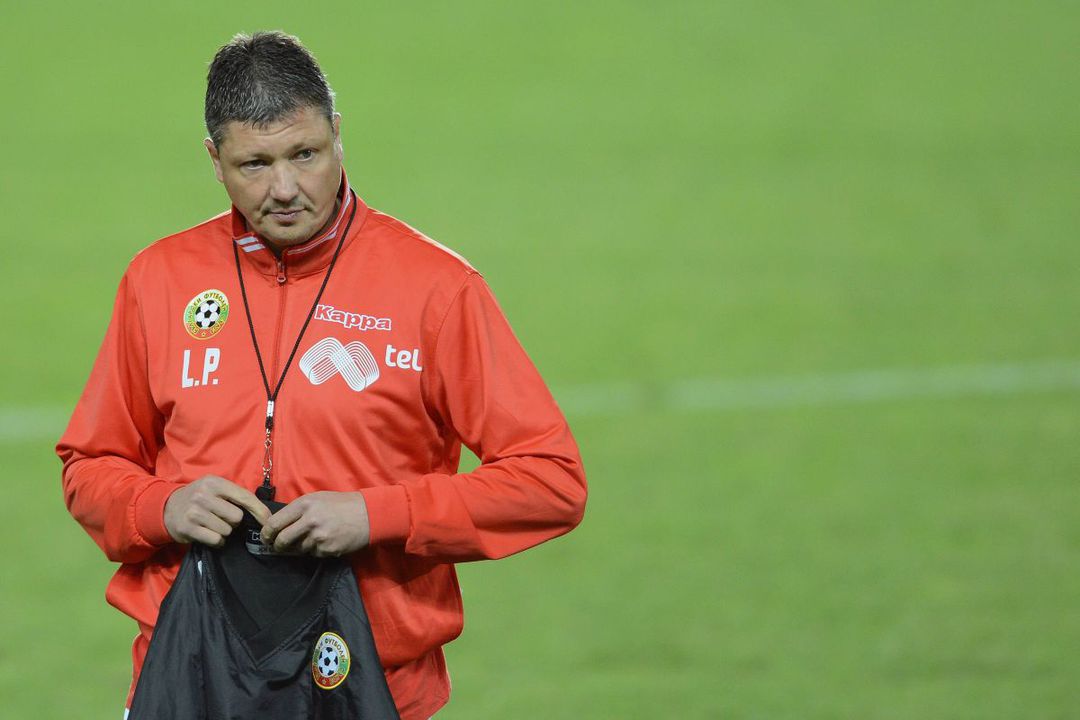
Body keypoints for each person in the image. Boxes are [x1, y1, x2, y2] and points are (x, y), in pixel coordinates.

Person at [56, 30, 586, 720]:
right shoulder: (159, 280)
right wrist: (162, 507)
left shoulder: (436, 290)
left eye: (305, 154)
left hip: (370, 686)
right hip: (187, 676)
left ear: (337, 134)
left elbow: (550, 481)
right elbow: (90, 466)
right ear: (215, 160)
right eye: (255, 164)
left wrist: (376, 514)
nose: (284, 189)